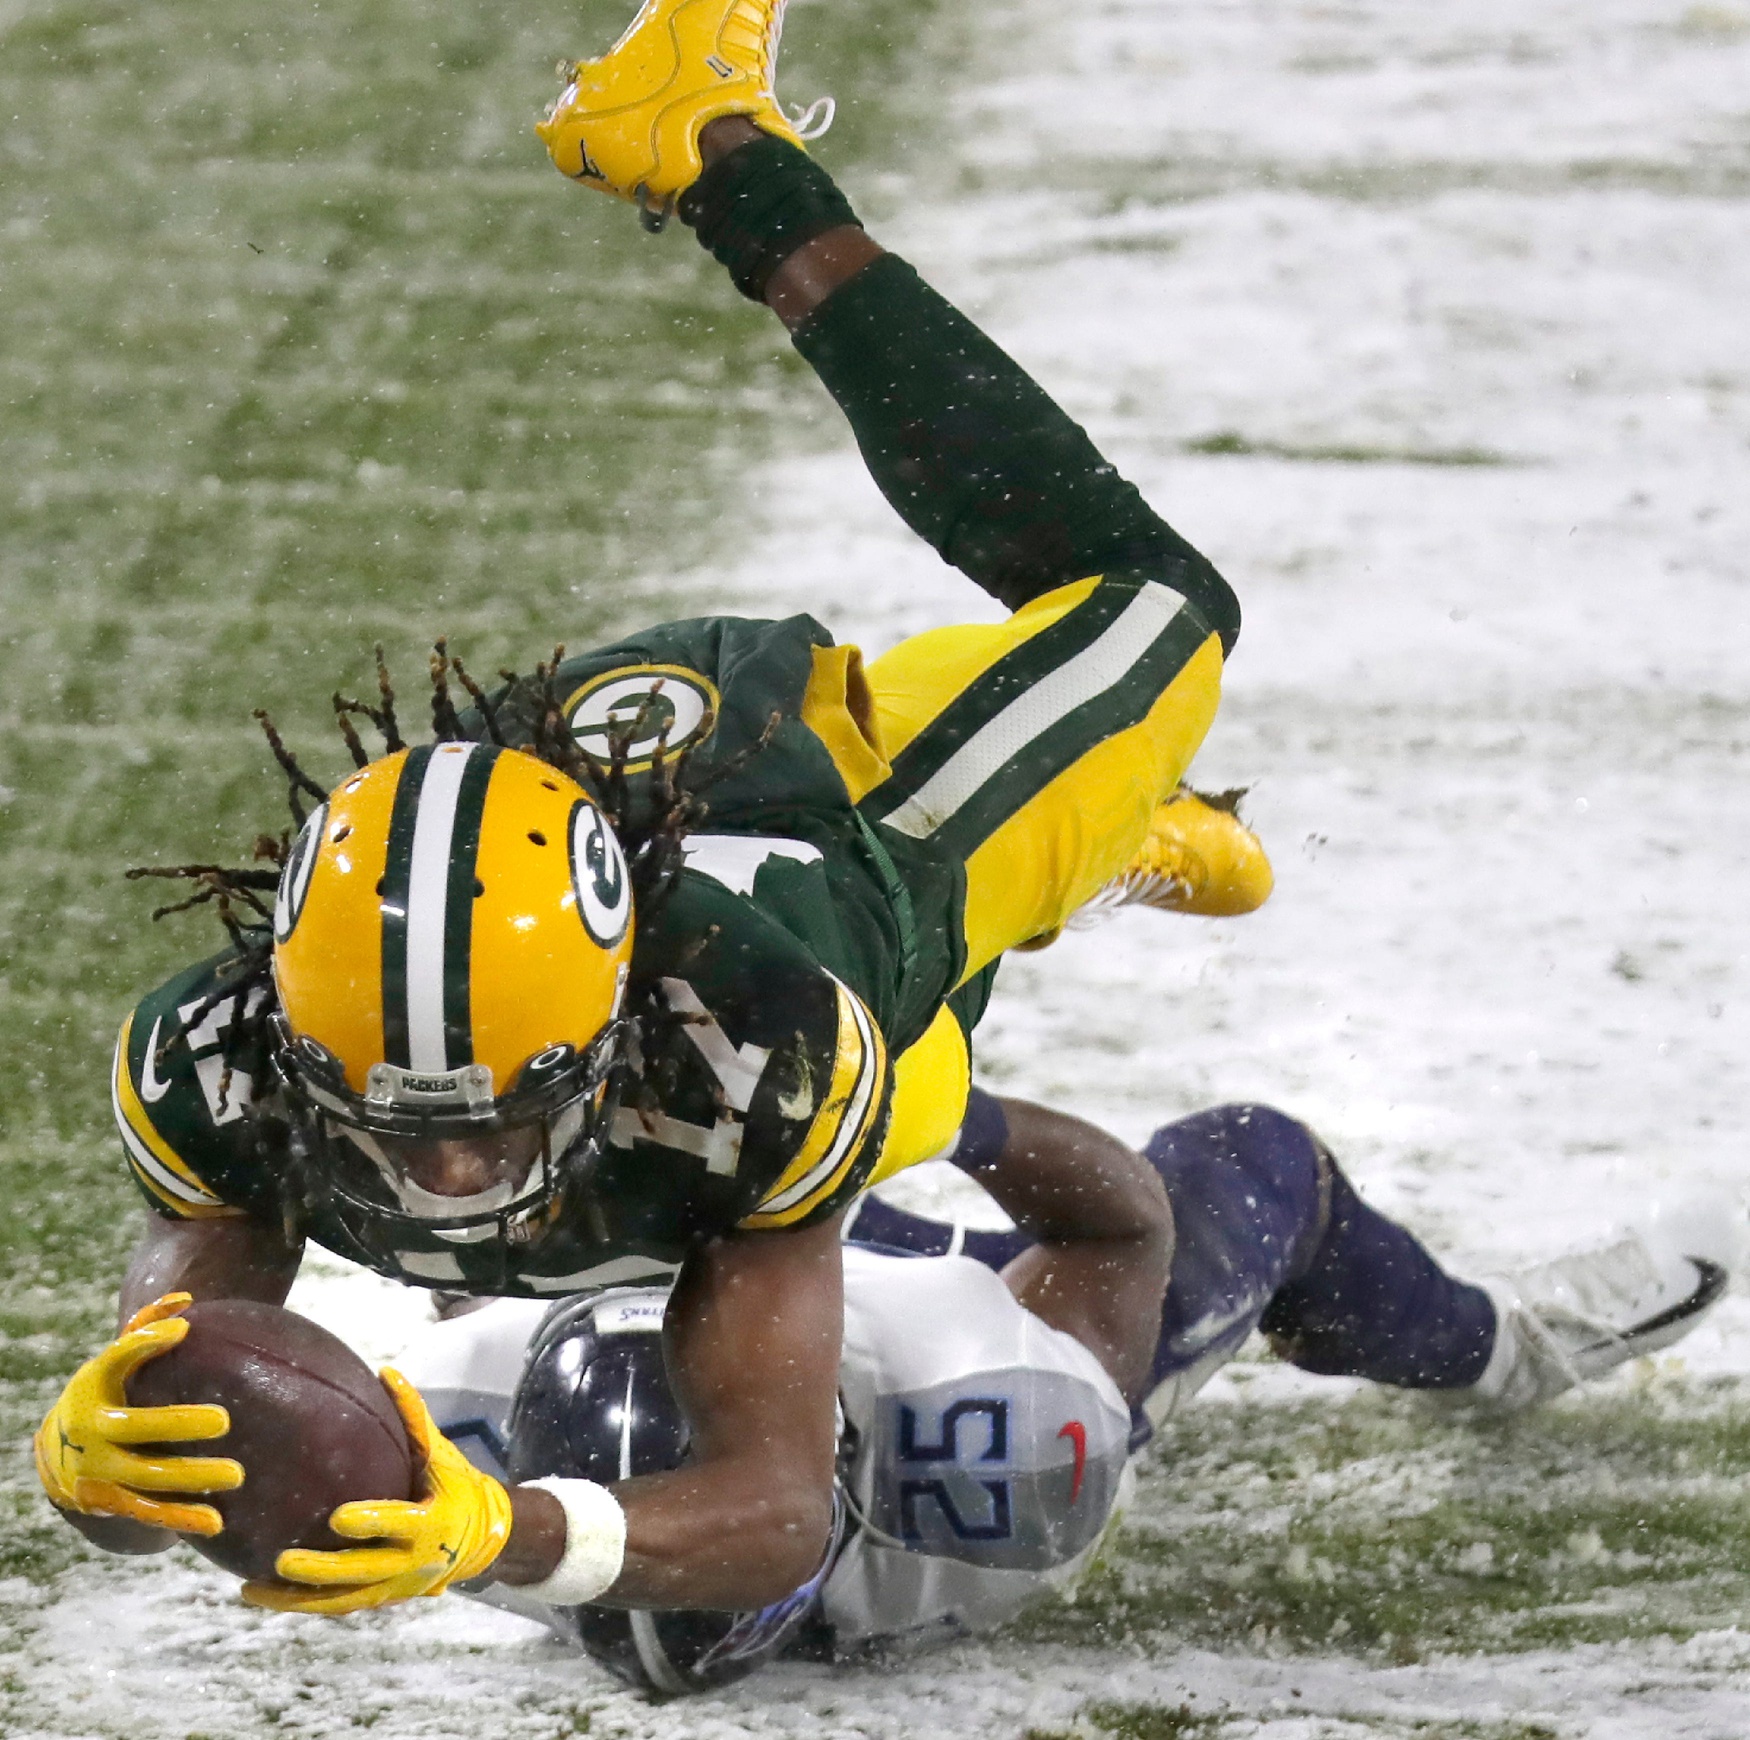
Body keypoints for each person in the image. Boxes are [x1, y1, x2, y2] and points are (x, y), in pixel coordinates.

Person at [33, 0, 1272, 1621]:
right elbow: (162, 1446)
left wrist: (509, 1539)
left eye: (496, 1113)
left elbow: (771, 1506)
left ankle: (710, 149)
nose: (461, 1175)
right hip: (590, 788)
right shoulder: (215, 1068)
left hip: (860, 861)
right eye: (413, 1122)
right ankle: (1107, 822)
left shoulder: (759, 1047)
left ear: (624, 1012)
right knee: (909, 1047)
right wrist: (93, 1463)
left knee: (1148, 608)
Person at [390, 1088, 1732, 1693]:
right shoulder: (991, 1453)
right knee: (1251, 1159)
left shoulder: (447, 1430)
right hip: (952, 1301)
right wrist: (949, 1116)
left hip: (742, 1260)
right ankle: (1507, 1344)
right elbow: (1118, 1230)